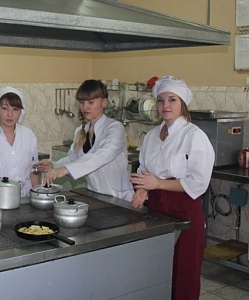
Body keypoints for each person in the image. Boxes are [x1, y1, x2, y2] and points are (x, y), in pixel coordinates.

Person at [130, 76, 214, 300]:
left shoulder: (194, 136)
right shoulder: (151, 136)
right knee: (157, 268)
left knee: (184, 272)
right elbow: (145, 168)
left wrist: (157, 183)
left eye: (172, 99)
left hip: (185, 211)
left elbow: (198, 182)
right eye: (160, 100)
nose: (165, 105)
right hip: (156, 210)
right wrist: (144, 189)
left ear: (183, 103)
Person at [35, 79, 134, 201]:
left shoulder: (115, 128)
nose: (85, 107)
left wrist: (66, 170)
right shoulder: (80, 131)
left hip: (120, 198)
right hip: (95, 195)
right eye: (82, 103)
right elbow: (73, 159)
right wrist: (53, 165)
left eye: (91, 102)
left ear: (104, 102)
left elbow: (101, 156)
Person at [0, 86, 39, 200]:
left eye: (15, 109)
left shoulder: (29, 135)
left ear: (21, 112)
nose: (10, 114)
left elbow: (33, 169)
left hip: (24, 197)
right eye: (5, 108)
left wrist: (38, 195)